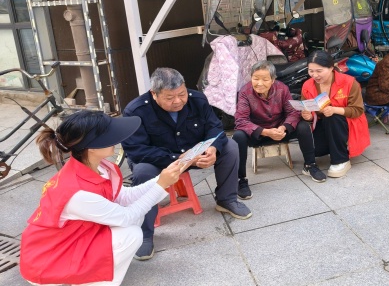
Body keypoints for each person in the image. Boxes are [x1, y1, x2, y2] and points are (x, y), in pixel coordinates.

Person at [20, 110, 181, 286]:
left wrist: (162, 179)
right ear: (91, 147)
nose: (117, 139)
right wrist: (161, 185)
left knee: (135, 220)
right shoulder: (78, 193)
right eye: (109, 136)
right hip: (50, 260)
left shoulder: (99, 166)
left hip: (73, 238)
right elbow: (126, 217)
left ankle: (95, 276)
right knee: (131, 234)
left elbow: (123, 196)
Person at [122, 67, 251, 261]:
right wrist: (177, 159)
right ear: (154, 94)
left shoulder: (197, 99)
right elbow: (136, 150)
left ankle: (227, 199)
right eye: (170, 97)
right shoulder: (135, 110)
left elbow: (215, 127)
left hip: (194, 154)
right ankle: (145, 233)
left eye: (181, 94)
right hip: (159, 160)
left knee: (230, 147)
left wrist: (212, 148)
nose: (178, 101)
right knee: (142, 171)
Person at [233, 61, 326, 196]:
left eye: (265, 79)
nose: (259, 83)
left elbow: (292, 112)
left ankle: (310, 165)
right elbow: (241, 120)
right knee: (238, 136)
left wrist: (283, 128)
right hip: (258, 133)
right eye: (256, 78)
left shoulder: (282, 88)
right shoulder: (245, 92)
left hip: (280, 131)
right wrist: (265, 132)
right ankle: (240, 179)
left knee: (303, 126)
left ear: (273, 80)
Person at [300, 50, 370, 178]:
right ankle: (334, 148)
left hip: (346, 123)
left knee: (332, 117)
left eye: (319, 71)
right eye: (311, 71)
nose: (315, 75)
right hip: (322, 123)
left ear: (331, 68)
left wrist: (334, 110)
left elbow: (357, 110)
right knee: (316, 149)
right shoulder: (307, 85)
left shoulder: (349, 82)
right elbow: (307, 108)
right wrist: (308, 115)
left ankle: (341, 160)